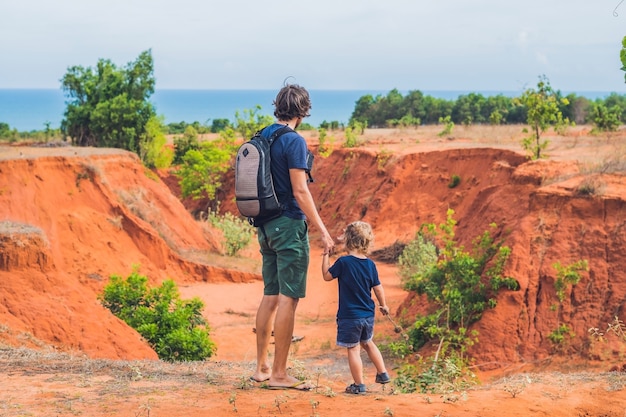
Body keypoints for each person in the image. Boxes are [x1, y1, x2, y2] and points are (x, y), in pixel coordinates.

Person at [251, 83, 335, 390]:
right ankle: (280, 374)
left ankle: (261, 368)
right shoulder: (294, 141)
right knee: (289, 298)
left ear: (277, 107)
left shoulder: (261, 136)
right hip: (287, 225)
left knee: (270, 294)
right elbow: (300, 190)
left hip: (264, 225)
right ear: (304, 110)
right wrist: (323, 231)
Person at [321, 221, 391, 395]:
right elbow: (378, 287)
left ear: (348, 240)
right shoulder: (370, 264)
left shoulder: (343, 262)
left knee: (353, 348)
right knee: (367, 342)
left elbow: (326, 276)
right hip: (368, 314)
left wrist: (325, 256)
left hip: (350, 315)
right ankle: (383, 373)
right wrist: (383, 305)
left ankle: (358, 385)